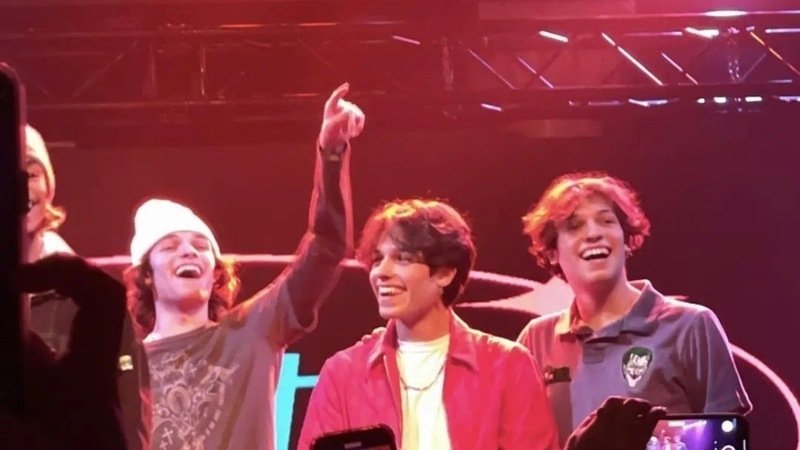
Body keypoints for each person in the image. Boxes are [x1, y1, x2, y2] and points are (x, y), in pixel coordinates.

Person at [123, 83, 363, 450]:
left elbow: (327, 246)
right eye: (170, 247)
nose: (188, 252)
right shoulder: (127, 369)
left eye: (200, 247)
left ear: (216, 274)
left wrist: (331, 153)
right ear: (146, 276)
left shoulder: (253, 330)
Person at [299, 199, 560, 450]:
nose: (381, 272)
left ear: (445, 273)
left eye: (402, 258)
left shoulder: (507, 365)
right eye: (378, 259)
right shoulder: (343, 374)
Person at [516, 172, 751, 447]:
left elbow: (724, 440)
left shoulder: (690, 325)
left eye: (606, 221)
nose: (593, 233)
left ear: (626, 239)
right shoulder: (536, 339)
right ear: (552, 252)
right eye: (574, 226)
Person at [23, 124, 150, 449]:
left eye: (32, 173)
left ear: (49, 186)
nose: (20, 186)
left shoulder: (91, 301)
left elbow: (127, 417)